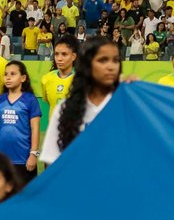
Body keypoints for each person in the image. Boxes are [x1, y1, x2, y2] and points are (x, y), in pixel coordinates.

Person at [39, 37, 121, 166]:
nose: (110, 66)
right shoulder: (59, 102)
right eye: (102, 60)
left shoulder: (120, 99)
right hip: (66, 148)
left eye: (115, 60)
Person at [40, 35, 77, 113]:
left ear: (73, 56)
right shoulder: (46, 79)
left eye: (64, 54)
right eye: (56, 54)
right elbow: (49, 102)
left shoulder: (80, 80)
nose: (59, 59)